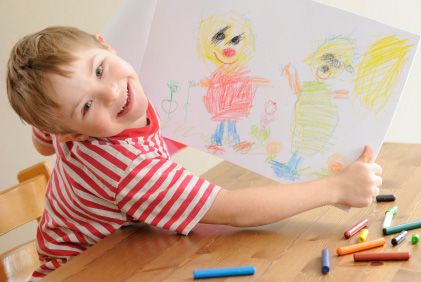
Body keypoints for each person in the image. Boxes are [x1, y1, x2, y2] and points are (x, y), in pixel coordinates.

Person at [6, 26, 382, 280]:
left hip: (120, 245)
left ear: (107, 44)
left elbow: (43, 137)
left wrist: (58, 128)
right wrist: (335, 189)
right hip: (85, 272)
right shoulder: (130, 171)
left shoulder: (69, 123)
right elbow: (235, 210)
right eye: (87, 106)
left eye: (100, 69)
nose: (110, 93)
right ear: (71, 133)